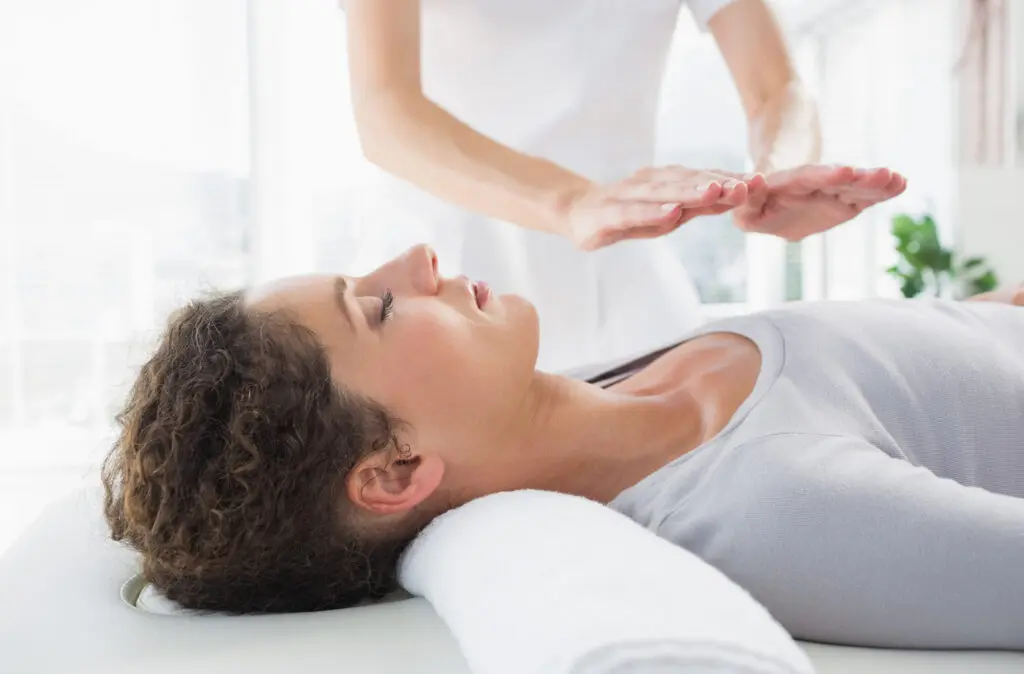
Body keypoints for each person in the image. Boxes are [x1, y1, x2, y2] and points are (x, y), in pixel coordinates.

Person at [103, 240, 1024, 650]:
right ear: (393, 470)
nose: (417, 260)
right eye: (378, 307)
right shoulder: (772, 507)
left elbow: (912, 380)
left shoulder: (605, 378)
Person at [342, 0, 902, 374]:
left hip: (628, 291)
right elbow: (387, 113)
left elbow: (778, 89)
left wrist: (778, 173)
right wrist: (572, 202)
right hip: (440, 290)